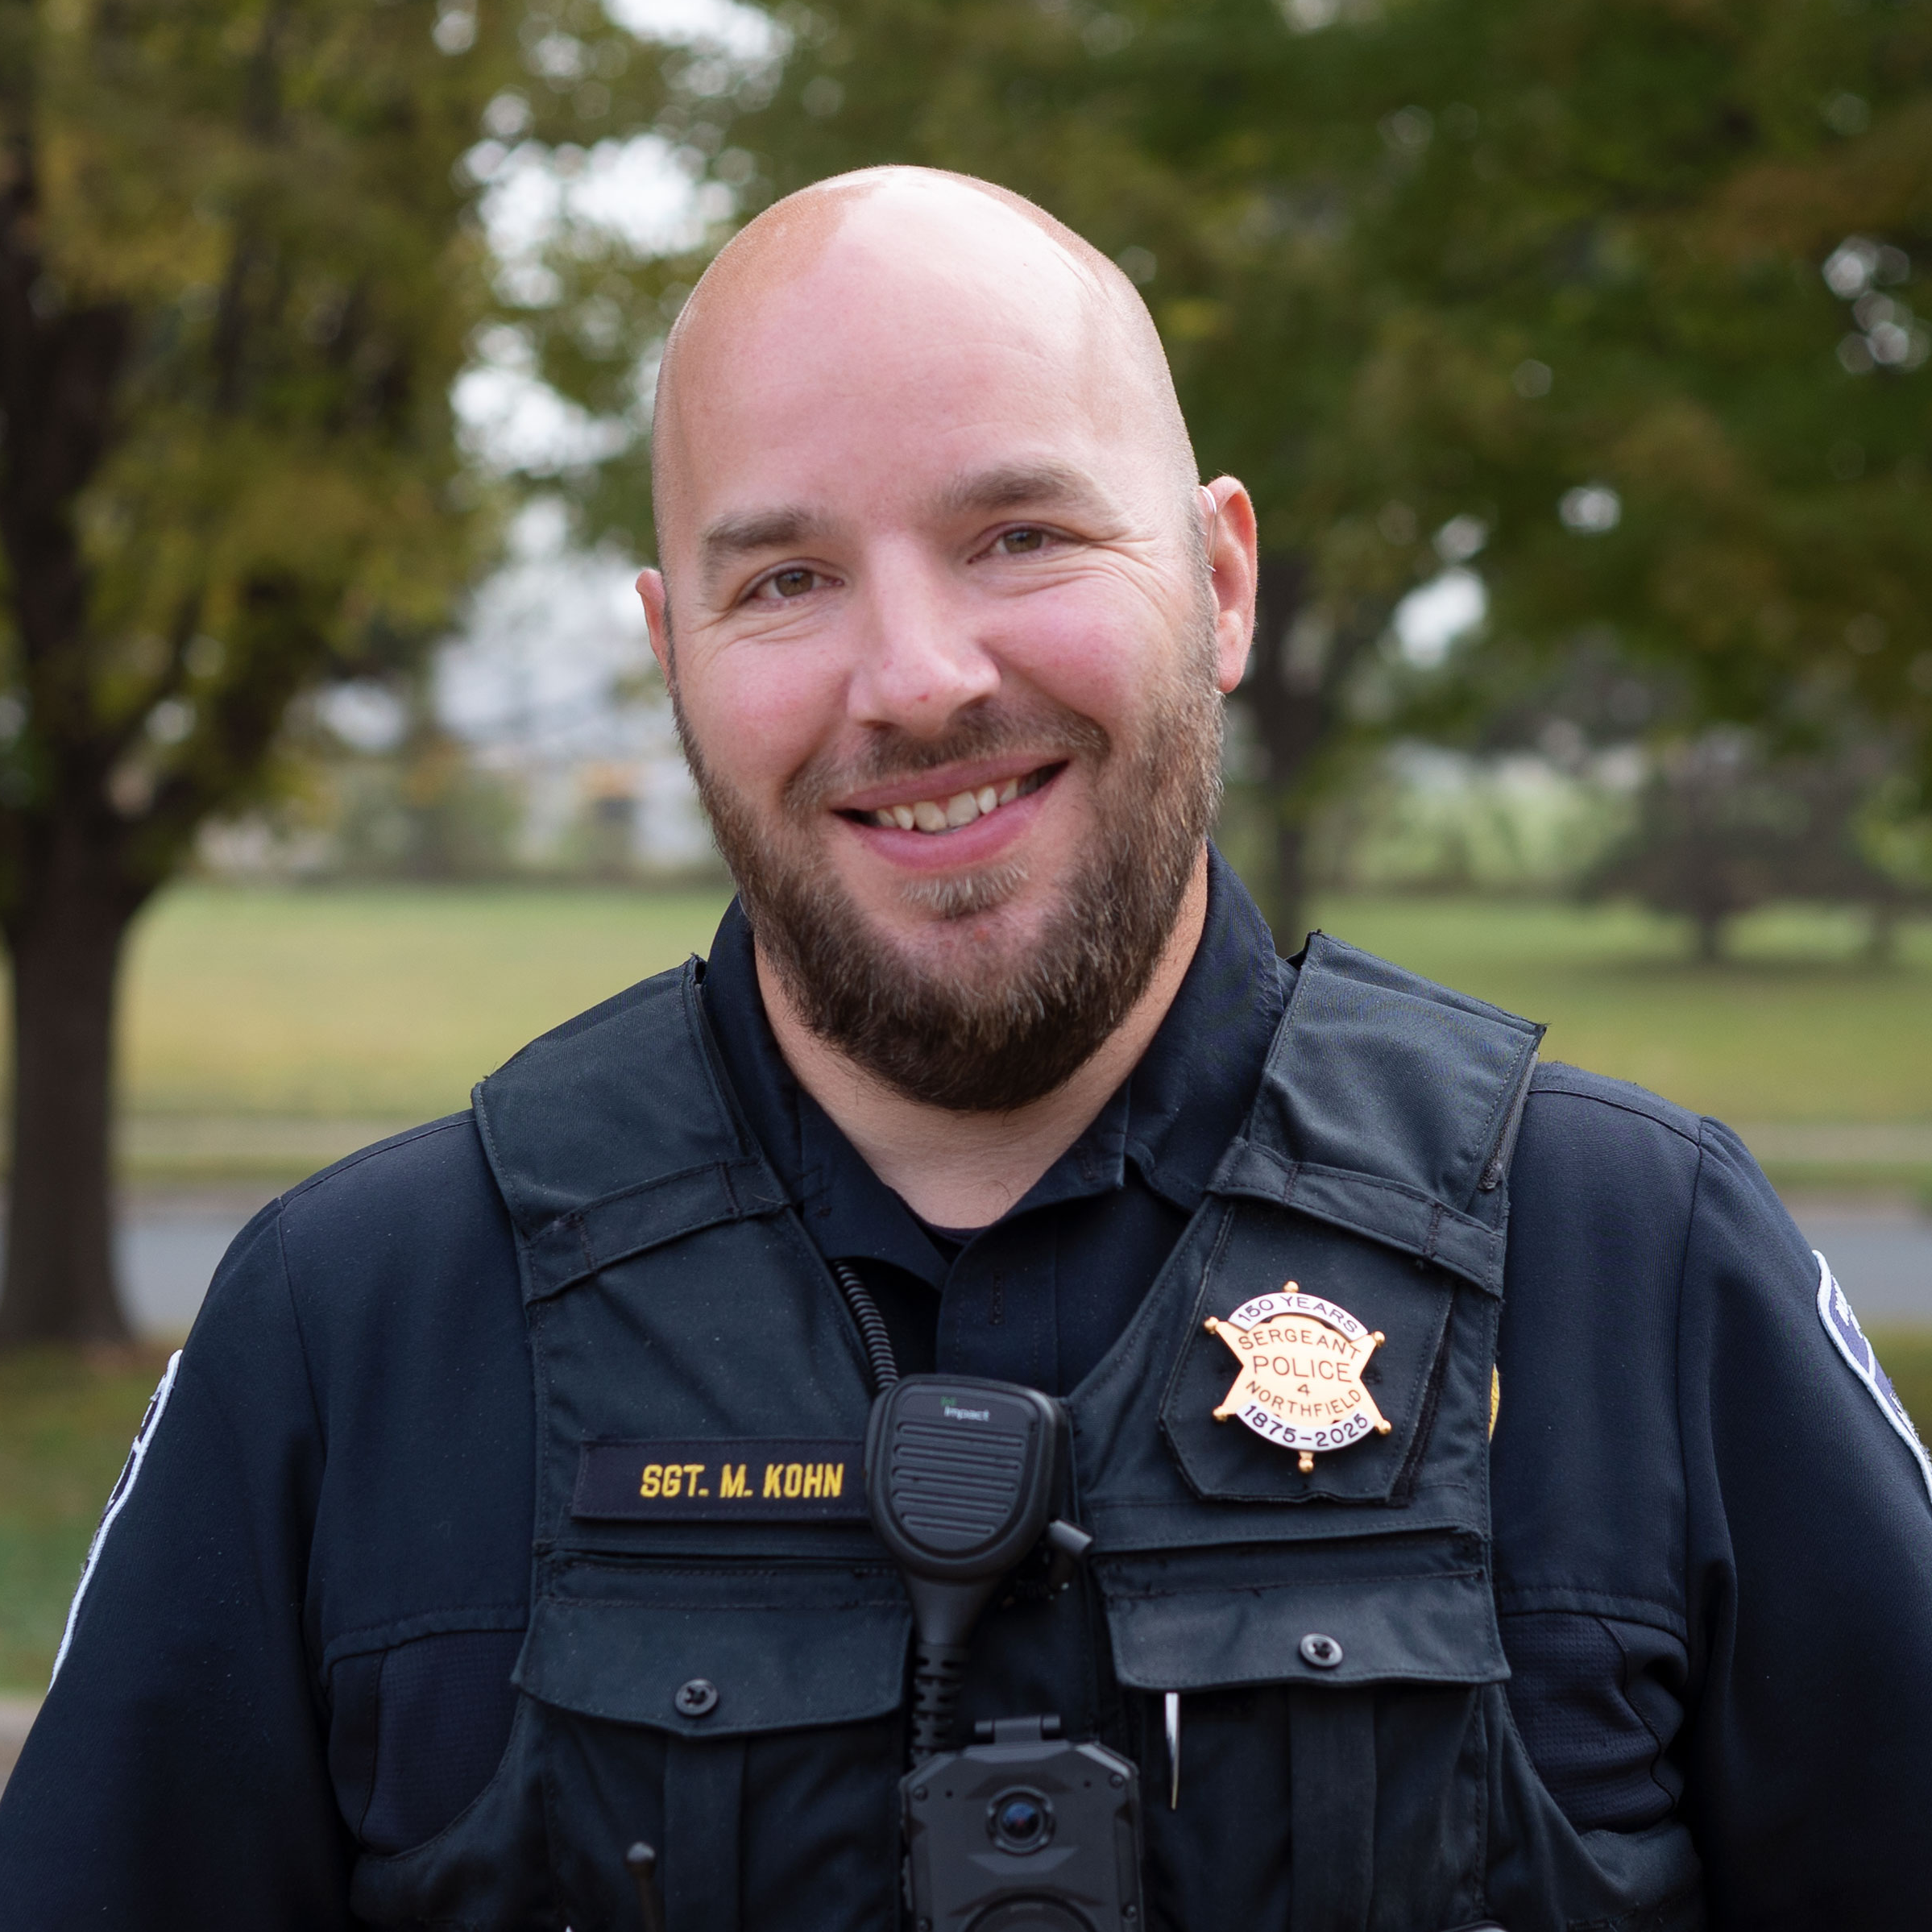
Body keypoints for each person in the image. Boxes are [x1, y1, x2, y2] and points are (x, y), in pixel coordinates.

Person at [1, 167, 1928, 1932]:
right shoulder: (354, 1330)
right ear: (672, 654)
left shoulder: (1633, 1268)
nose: (917, 679)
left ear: (1221, 581)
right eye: (784, 578)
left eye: (1018, 533)